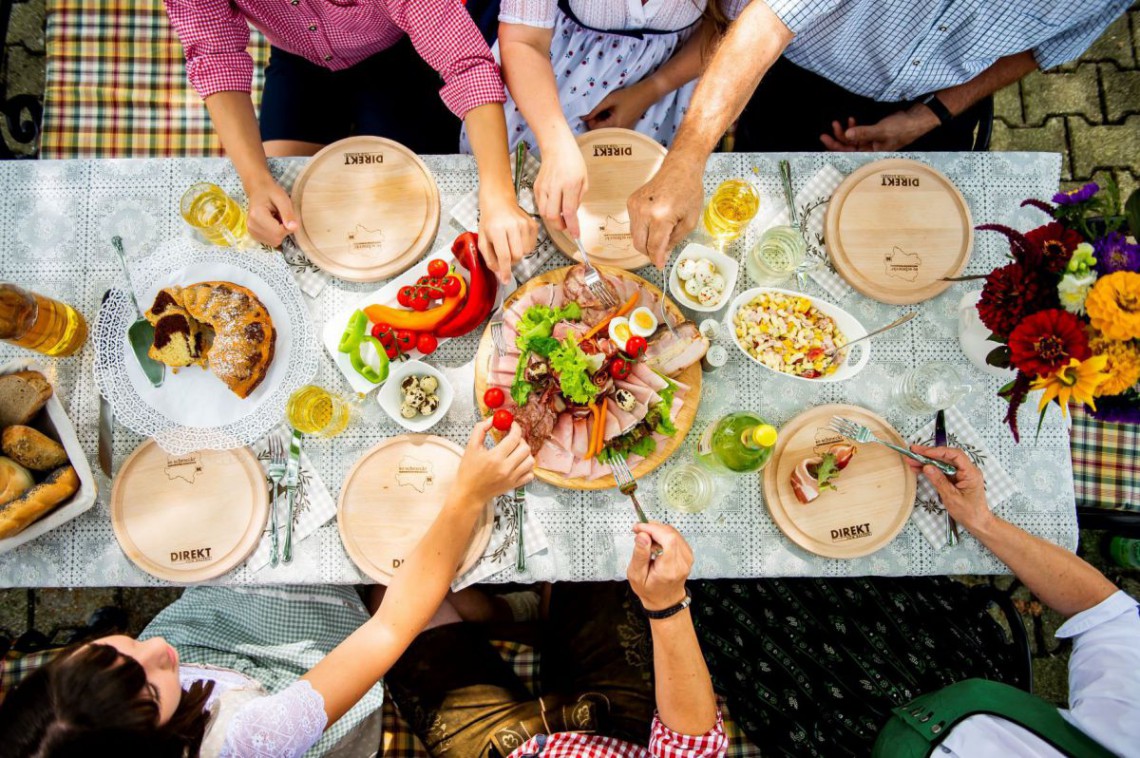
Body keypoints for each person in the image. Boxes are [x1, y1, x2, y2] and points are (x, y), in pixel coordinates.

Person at [0, 419, 534, 757]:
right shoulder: (249, 742)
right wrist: (465, 496)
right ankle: (518, 616)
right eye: (149, 689)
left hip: (224, 633)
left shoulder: (125, 690)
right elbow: (391, 626)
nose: (159, 649)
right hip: (307, 674)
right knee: (396, 580)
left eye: (112, 652)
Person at [695, 445, 1139, 756]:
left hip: (841, 733)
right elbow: (1104, 613)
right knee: (838, 548)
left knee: (717, 594)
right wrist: (981, 521)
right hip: (946, 666)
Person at [628, 0, 1132, 266]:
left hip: (943, 103)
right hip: (804, 79)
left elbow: (1040, 48)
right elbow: (769, 18)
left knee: (905, 254)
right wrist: (686, 160)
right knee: (765, 227)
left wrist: (933, 113)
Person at [163, 0, 537, 282]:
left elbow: (465, 64)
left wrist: (500, 197)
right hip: (299, 65)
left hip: (399, 56)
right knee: (286, 228)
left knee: (424, 220)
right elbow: (215, 56)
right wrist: (257, 183)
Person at [385, 522, 729, 757]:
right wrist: (665, 605)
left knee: (395, 586)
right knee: (593, 548)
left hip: (499, 748)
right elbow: (693, 746)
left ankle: (509, 617)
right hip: (616, 730)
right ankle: (522, 613)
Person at [489, 0, 730, 239]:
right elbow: (523, 40)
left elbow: (729, 28)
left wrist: (654, 88)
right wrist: (556, 145)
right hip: (547, 85)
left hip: (670, 80)